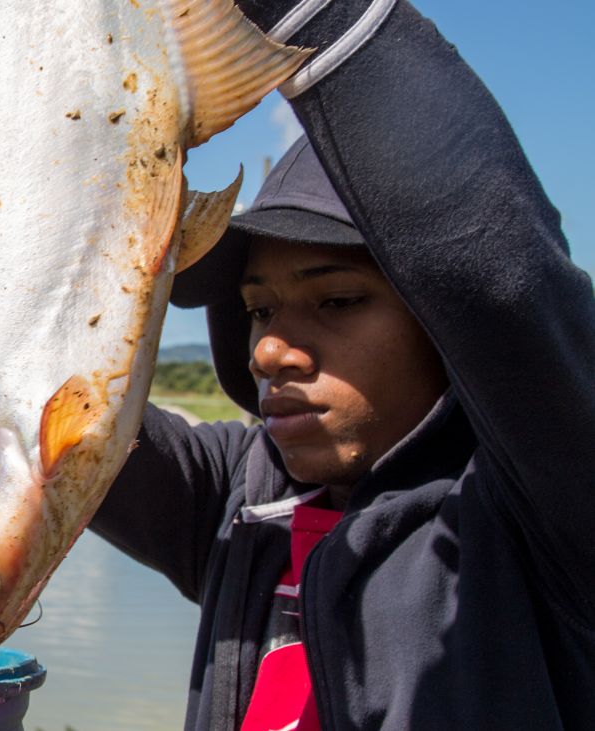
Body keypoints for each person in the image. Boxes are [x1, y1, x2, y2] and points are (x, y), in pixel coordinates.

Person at [86, 0, 595, 729]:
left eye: (339, 300)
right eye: (259, 310)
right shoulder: (239, 501)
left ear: (444, 327)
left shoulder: (536, 513)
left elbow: (503, 278)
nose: (267, 350)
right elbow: (34, 401)